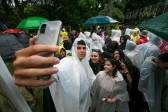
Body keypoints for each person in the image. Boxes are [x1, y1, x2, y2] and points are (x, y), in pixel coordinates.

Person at [49, 37, 95, 112]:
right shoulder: (68, 61)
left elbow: (91, 78)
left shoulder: (86, 64)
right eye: (79, 48)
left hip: (82, 99)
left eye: (84, 48)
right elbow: (57, 70)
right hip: (71, 101)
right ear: (74, 49)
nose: (82, 51)